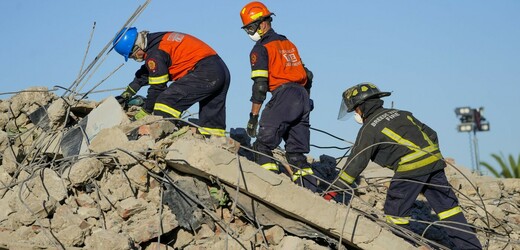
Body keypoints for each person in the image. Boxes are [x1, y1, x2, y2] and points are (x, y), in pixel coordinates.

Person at [337, 82, 482, 249]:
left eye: (355, 109)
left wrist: (336, 188)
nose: (356, 113)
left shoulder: (369, 129)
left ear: (362, 107)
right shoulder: (402, 114)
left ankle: (408, 246)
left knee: (395, 212)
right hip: (434, 163)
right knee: (449, 209)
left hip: (410, 169)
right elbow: (431, 134)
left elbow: (357, 161)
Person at [239, 1, 316, 191]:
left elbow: (260, 86)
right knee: (296, 154)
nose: (250, 32)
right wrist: (306, 99)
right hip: (301, 96)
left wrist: (253, 116)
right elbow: (308, 75)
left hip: (284, 96)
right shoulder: (288, 43)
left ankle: (270, 188)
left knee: (262, 144)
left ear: (263, 23)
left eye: (251, 27)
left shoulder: (261, 48)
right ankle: (310, 193)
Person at [112, 27, 231, 137]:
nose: (136, 59)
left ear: (137, 46)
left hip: (205, 72)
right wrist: (126, 95)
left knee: (165, 102)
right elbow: (146, 73)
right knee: (211, 124)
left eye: (133, 56)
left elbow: (157, 88)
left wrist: (144, 113)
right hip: (219, 70)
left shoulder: (155, 54)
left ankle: (168, 137)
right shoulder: (156, 41)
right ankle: (216, 144)